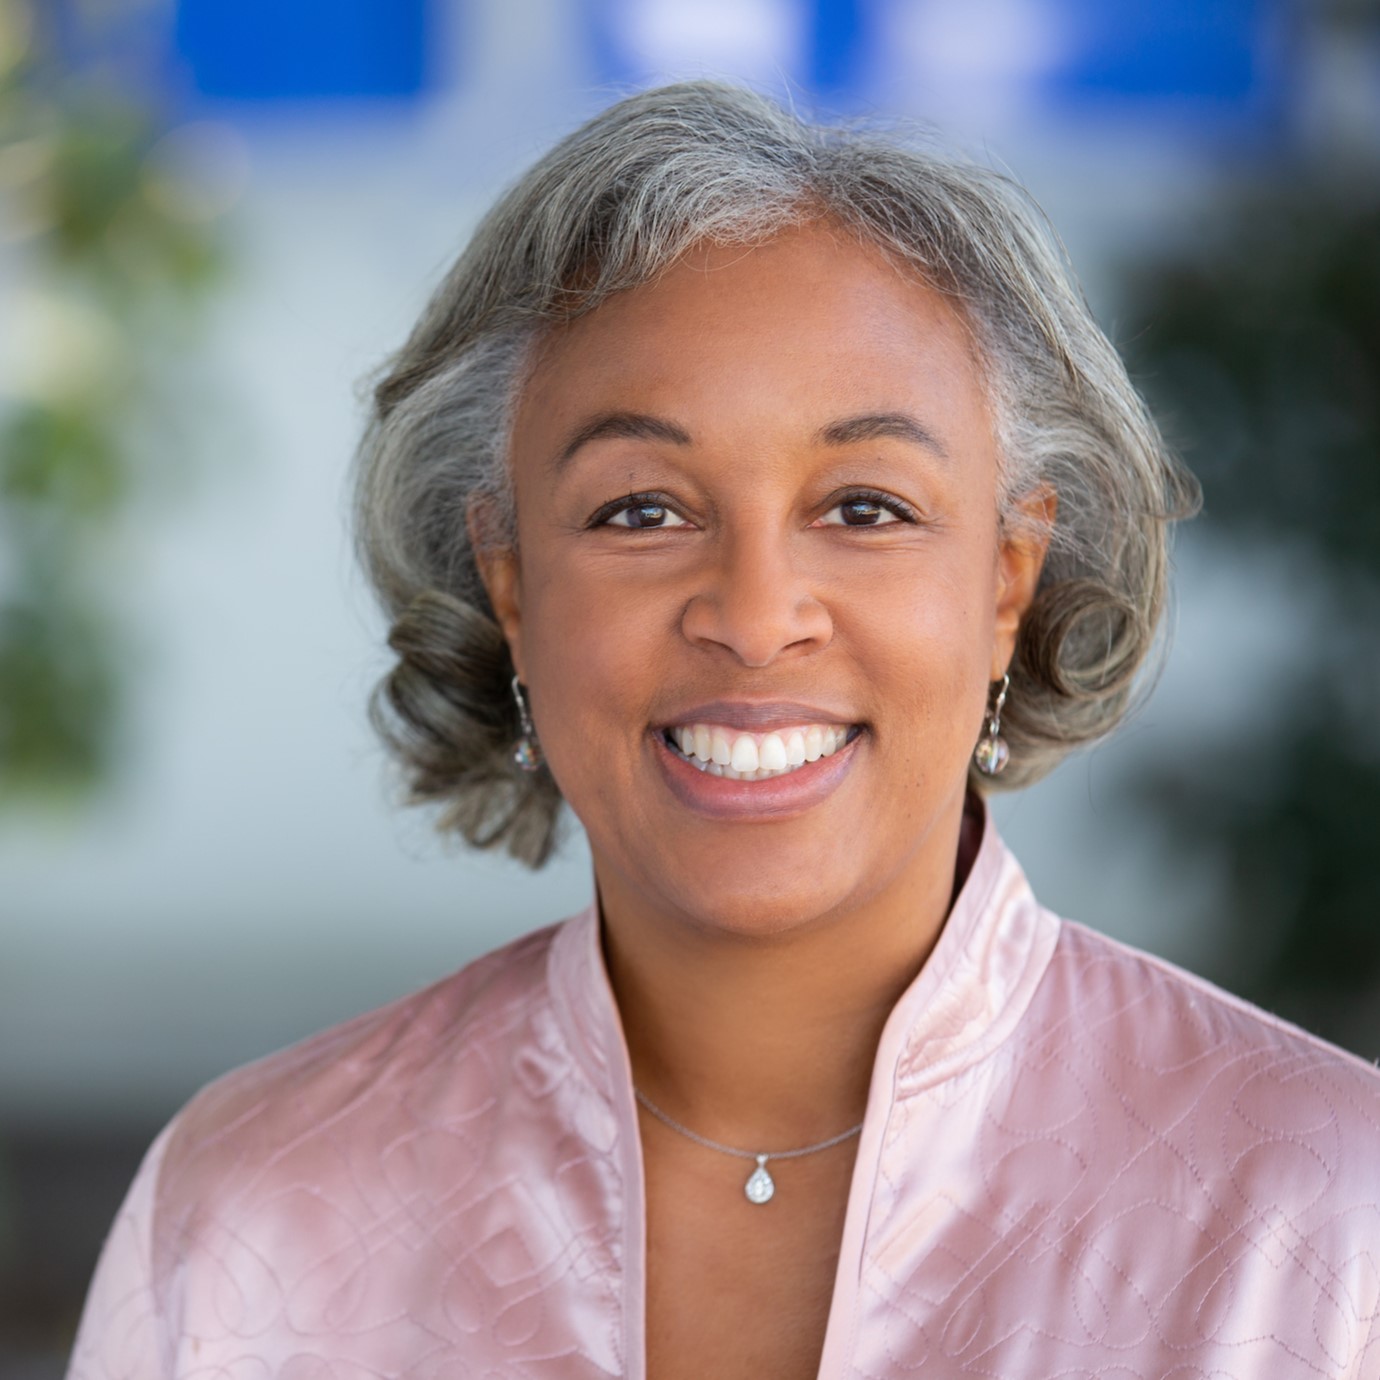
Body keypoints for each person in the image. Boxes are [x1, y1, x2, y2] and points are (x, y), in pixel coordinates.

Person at [67, 82, 1380, 1380]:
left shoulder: (1327, 1226)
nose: (754, 620)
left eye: (864, 508)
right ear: (512, 586)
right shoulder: (250, 1223)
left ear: (1007, 580)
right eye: (641, 511)